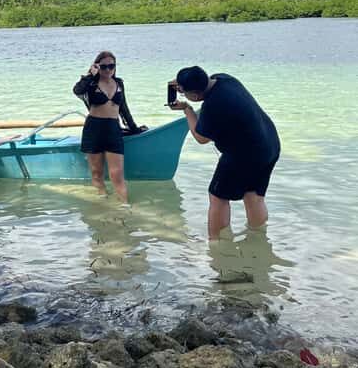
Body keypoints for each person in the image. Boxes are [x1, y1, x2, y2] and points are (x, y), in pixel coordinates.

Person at [170, 66, 280, 241]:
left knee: (218, 196)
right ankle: (258, 238)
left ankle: (217, 244)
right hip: (269, 144)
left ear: (195, 96)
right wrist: (185, 81)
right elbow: (199, 84)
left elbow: (201, 137)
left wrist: (187, 109)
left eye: (184, 92)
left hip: (245, 154)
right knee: (253, 195)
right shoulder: (225, 79)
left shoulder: (212, 105)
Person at [73, 51, 144, 200]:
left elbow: (124, 108)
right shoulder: (91, 84)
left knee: (117, 174)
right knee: (97, 174)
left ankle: (124, 206)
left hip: (113, 129)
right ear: (97, 66)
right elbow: (77, 90)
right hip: (93, 129)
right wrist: (90, 75)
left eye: (111, 66)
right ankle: (102, 201)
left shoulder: (119, 83)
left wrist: (134, 128)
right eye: (104, 66)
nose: (108, 70)